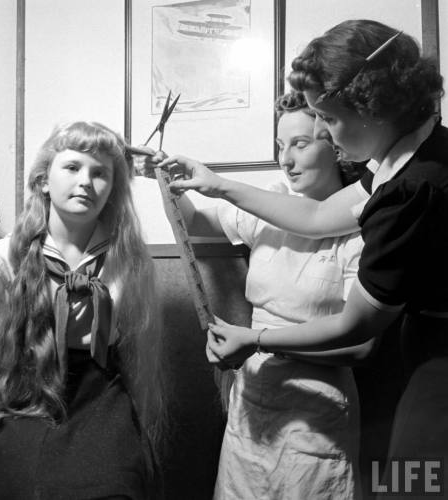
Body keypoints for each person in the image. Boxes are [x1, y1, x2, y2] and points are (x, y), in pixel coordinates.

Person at [158, 19, 448, 495]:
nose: (330, 136)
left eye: (329, 121)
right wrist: (216, 183)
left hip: (433, 368)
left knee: (419, 485)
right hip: (265, 406)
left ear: (370, 105)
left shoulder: (414, 189)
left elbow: (355, 329)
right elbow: (315, 219)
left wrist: (255, 340)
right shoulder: (408, 161)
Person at [138, 91, 367, 499]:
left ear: (335, 145)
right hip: (253, 403)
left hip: (317, 412)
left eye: (300, 144)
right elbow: (194, 220)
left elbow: (360, 347)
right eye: (280, 146)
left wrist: (259, 343)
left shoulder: (359, 226)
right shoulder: (269, 200)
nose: (287, 159)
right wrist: (166, 177)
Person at [0, 121, 166, 500]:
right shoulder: (2, 258)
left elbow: (137, 359)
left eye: (100, 173)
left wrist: (141, 436)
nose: (86, 181)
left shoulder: (128, 261)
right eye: (72, 167)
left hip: (100, 398)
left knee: (116, 488)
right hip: (24, 396)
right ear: (43, 180)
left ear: (113, 190)